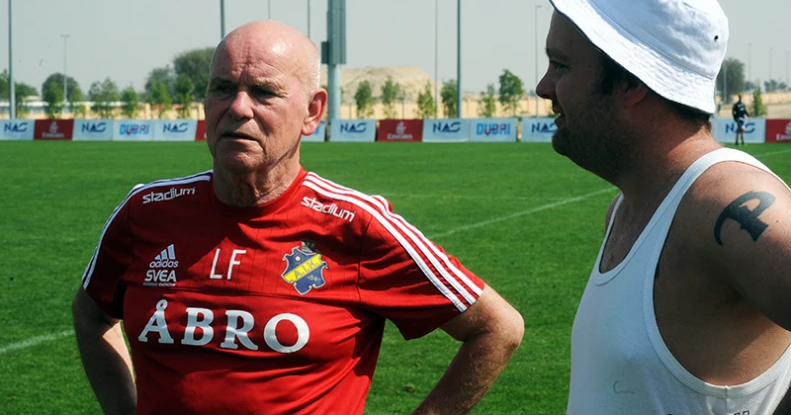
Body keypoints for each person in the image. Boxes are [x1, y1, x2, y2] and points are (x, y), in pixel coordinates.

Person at [72, 21, 524, 415]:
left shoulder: (356, 226)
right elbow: (91, 314)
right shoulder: (147, 211)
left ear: (312, 112)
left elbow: (496, 327)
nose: (238, 108)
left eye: (264, 92)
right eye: (223, 88)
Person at [536, 0, 791, 414]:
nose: (543, 86)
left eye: (562, 65)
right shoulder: (629, 206)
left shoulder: (725, 205)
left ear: (634, 83)